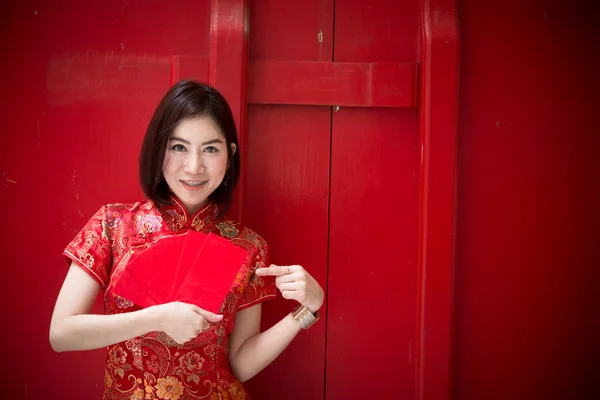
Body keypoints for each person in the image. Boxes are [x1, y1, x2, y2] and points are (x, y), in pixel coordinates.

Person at [49, 80, 325, 400]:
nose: (194, 167)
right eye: (179, 147)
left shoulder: (249, 246)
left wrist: (307, 310)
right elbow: (61, 333)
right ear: (159, 147)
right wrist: (157, 317)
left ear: (229, 154)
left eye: (210, 148)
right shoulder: (113, 225)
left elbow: (241, 364)